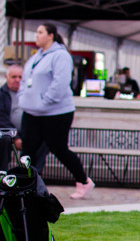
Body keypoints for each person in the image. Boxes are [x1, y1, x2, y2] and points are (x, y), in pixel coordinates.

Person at [18, 23, 95, 200]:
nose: (36, 36)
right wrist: (24, 99)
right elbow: (25, 80)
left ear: (51, 35)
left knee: (58, 148)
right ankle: (24, 183)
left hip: (56, 113)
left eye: (40, 32)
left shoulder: (60, 56)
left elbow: (60, 83)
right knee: (27, 149)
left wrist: (45, 102)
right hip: (32, 112)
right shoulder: (36, 57)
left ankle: (83, 181)